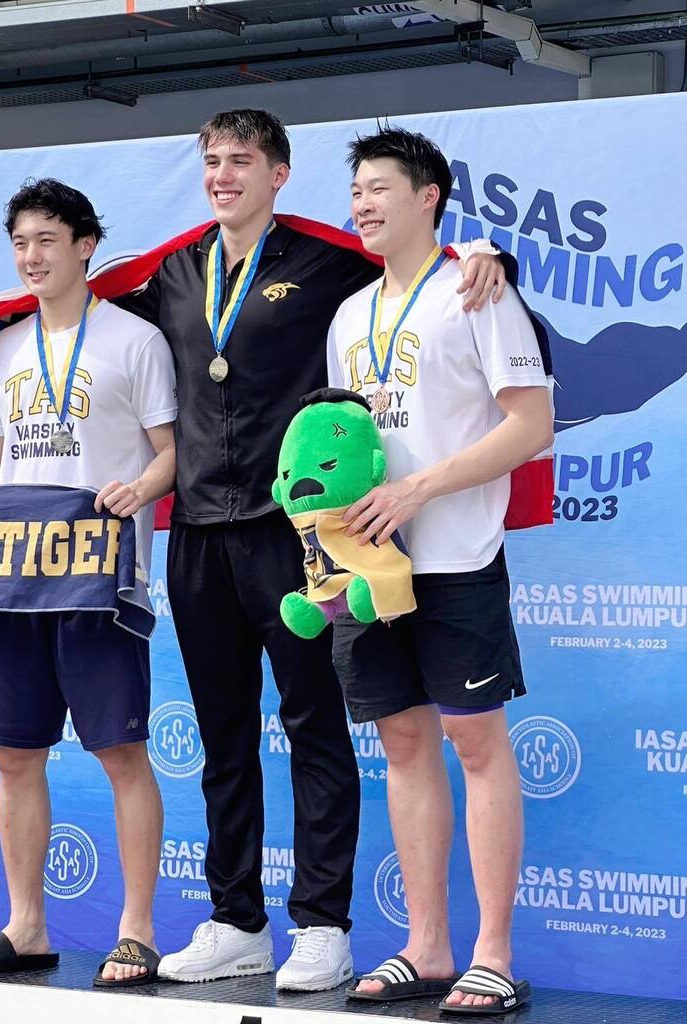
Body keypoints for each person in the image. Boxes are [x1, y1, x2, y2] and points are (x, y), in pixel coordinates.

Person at [0, 110, 507, 992]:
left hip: (295, 535)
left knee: (313, 726)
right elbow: (72, 303)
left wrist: (486, 254)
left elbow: (414, 265)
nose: (222, 174)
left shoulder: (326, 261)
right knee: (222, 735)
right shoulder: (176, 271)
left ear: (278, 174)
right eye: (211, 160)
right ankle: (236, 921)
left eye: (240, 160)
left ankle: (321, 924)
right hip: (199, 536)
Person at [0, 179, 177, 988]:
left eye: (47, 239)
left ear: (85, 246)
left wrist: (140, 489)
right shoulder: (3, 347)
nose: (31, 256)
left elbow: (171, 451)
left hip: (96, 580)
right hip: (13, 579)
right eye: (20, 243)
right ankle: (27, 925)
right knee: (14, 758)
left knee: (121, 752)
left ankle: (136, 929)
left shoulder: (134, 341)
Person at [327, 127, 552, 1014]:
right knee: (403, 744)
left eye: (379, 188)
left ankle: (491, 954)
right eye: (355, 191)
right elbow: (340, 443)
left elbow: (529, 425)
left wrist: (420, 488)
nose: (363, 204)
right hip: (369, 566)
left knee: (475, 743)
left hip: (457, 556)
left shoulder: (477, 290)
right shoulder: (349, 315)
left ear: (427, 198)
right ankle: (425, 947)